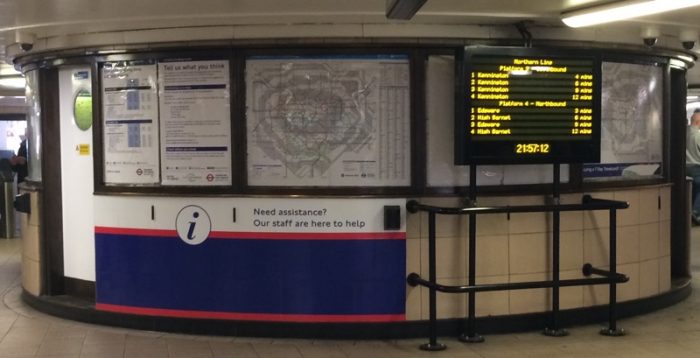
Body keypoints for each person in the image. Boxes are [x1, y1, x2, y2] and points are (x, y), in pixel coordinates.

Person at [687, 110, 700, 225]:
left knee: (692, 190)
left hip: (684, 168)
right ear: (698, 122)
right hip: (696, 168)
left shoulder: (682, 133)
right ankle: (695, 212)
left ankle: (688, 211)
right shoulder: (698, 135)